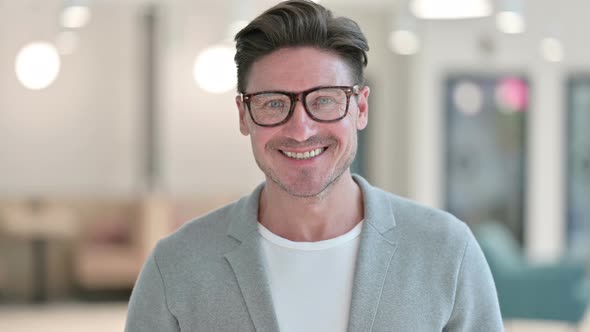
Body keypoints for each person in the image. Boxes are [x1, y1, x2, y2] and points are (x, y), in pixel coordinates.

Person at [126, 1, 503, 331]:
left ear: (361, 107)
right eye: (273, 103)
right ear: (244, 115)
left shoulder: (446, 252)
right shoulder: (177, 266)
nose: (301, 129)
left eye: (324, 100)